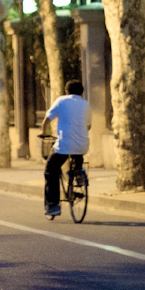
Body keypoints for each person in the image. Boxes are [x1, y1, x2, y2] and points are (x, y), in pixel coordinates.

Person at [41, 81, 91, 217]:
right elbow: (88, 126)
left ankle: (53, 205)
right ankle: (78, 173)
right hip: (82, 145)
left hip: (63, 145)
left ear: (67, 92)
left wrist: (43, 131)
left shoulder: (61, 101)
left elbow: (47, 119)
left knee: (51, 169)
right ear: (82, 92)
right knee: (77, 152)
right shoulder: (85, 103)